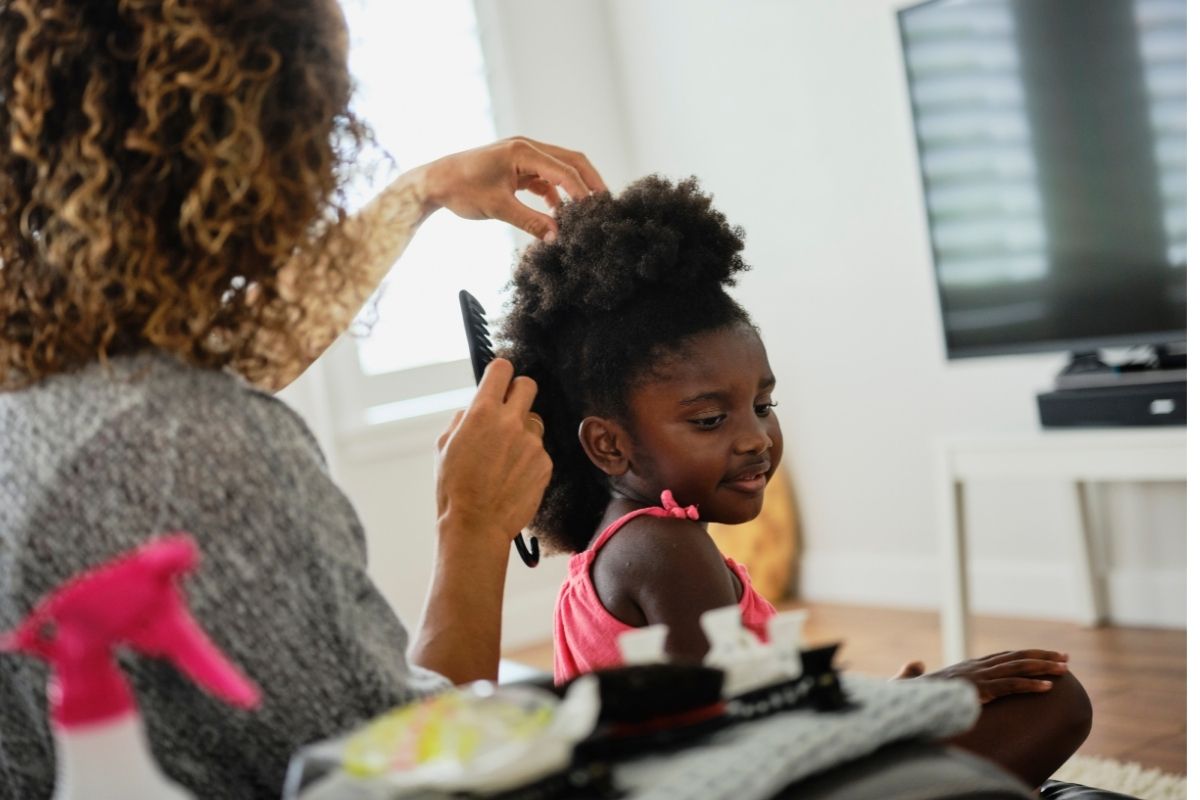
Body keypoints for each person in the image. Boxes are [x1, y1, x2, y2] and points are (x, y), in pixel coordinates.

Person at [0, 1, 604, 798]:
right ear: (258, 148)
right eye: (327, 115)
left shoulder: (42, 373)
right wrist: (475, 526)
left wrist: (423, 192)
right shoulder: (193, 451)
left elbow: (222, 351)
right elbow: (406, 776)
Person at [496, 175, 1094, 789]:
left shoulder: (621, 547)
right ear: (609, 445)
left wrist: (881, 705)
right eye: (708, 419)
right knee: (1057, 699)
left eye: (763, 404)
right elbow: (738, 742)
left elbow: (750, 710)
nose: (755, 437)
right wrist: (906, 707)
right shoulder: (664, 551)